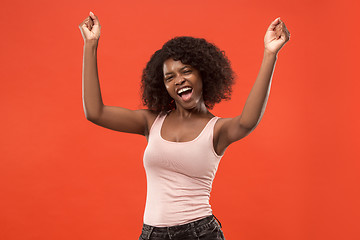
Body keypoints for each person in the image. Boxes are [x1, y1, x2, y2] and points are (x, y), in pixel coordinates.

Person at [79, 11, 290, 240]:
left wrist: (270, 54)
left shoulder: (217, 130)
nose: (178, 80)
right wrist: (90, 44)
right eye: (169, 77)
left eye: (186, 71)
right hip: (151, 234)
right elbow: (96, 112)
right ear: (164, 86)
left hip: (200, 233)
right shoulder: (152, 121)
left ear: (203, 74)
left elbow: (248, 121)